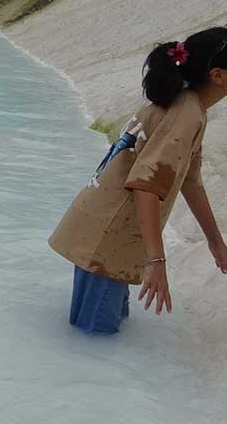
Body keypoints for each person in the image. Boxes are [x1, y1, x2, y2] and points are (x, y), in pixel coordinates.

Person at [50, 28, 227, 334]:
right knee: (96, 337)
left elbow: (190, 181)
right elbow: (145, 186)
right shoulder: (187, 114)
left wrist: (216, 243)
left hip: (104, 228)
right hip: (110, 237)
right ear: (217, 76)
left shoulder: (187, 106)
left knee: (97, 331)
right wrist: (156, 261)